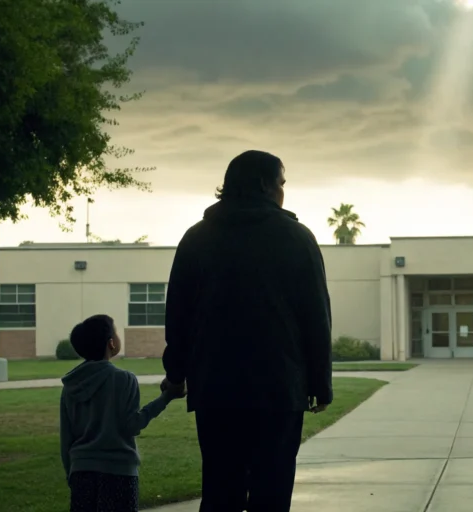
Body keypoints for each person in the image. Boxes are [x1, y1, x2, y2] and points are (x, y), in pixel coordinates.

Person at [162, 150, 334, 511]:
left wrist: (176, 375)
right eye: (282, 182)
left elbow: (178, 313)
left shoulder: (196, 238)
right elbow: (316, 315)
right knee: (272, 491)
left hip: (215, 389)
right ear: (265, 185)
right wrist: (320, 383)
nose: (284, 191)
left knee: (220, 489)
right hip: (279, 388)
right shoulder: (296, 237)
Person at [60, 314, 185, 512]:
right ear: (111, 343)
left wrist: (71, 473)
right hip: (119, 472)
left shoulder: (70, 386)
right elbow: (132, 424)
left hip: (81, 471)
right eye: (116, 333)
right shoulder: (124, 379)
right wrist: (166, 398)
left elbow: (66, 437)